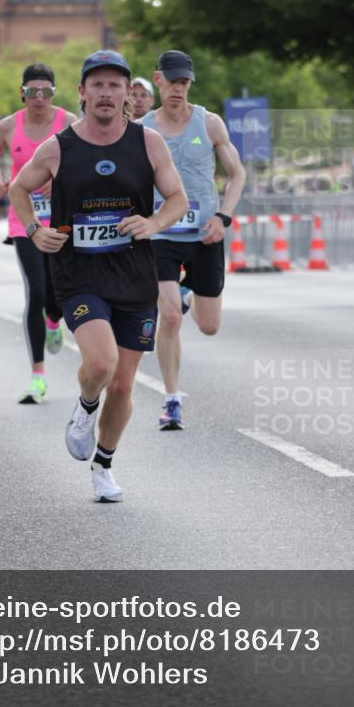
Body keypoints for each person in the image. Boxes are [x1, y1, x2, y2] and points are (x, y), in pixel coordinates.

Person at [9, 49, 188, 502]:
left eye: (115, 85)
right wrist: (34, 230)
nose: (106, 93)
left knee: (124, 385)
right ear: (82, 93)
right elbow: (18, 188)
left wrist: (153, 223)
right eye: (97, 85)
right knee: (102, 364)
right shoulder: (59, 147)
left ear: (127, 93)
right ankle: (87, 405)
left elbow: (178, 200)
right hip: (79, 274)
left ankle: (104, 465)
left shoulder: (149, 143)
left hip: (134, 274)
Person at [141, 50, 245, 430]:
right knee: (168, 315)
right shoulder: (142, 130)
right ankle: (171, 400)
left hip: (204, 234)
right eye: (172, 82)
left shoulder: (210, 123)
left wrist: (223, 216)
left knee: (209, 326)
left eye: (184, 82)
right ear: (158, 80)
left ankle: (189, 295)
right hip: (162, 233)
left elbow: (237, 174)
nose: (178, 89)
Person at [0, 64, 78, 404]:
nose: (40, 98)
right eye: (33, 91)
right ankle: (38, 376)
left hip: (62, 219)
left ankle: (54, 320)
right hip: (24, 220)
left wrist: (61, 180)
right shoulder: (8, 127)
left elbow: (82, 162)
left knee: (57, 293)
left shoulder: (68, 123)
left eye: (46, 91)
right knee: (36, 290)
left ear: (54, 93)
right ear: (22, 93)